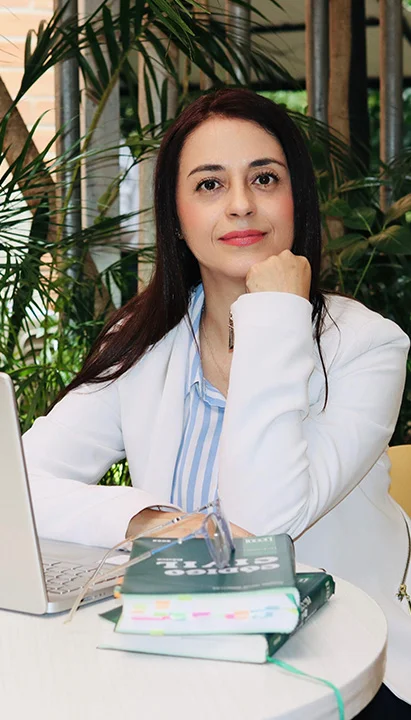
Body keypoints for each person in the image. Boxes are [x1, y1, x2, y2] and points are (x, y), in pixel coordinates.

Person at [23, 88, 410, 716]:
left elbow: (267, 521)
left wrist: (275, 314)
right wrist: (145, 519)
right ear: (176, 216)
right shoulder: (142, 345)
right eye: (209, 184)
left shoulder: (366, 347)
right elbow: (17, 485)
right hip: (180, 659)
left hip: (338, 673)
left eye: (264, 178)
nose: (240, 204)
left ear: (296, 199)